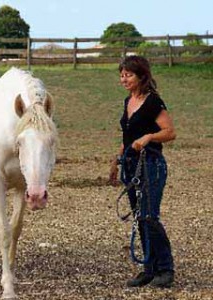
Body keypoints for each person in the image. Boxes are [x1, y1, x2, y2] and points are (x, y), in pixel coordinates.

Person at [109, 55, 176, 288]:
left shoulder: (153, 102)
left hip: (151, 165)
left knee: (149, 216)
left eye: (128, 75)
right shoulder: (128, 101)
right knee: (139, 217)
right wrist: (117, 159)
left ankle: (165, 269)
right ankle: (148, 268)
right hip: (131, 165)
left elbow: (170, 132)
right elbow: (127, 136)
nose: (123, 79)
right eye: (121, 75)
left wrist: (148, 137)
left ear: (141, 76)